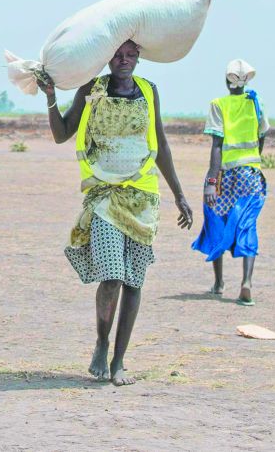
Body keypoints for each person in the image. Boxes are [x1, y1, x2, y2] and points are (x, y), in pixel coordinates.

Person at [38, 40, 193, 387]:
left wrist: (179, 195)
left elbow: (160, 144)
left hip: (143, 198)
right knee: (111, 277)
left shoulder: (149, 91)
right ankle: (101, 342)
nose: (124, 61)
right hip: (105, 196)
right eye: (118, 56)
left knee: (134, 282)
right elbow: (62, 134)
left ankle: (119, 361)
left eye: (130, 56)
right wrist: (50, 96)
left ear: (138, 58)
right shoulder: (91, 90)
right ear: (107, 58)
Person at [192, 59, 269, 306]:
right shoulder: (256, 102)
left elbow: (217, 145)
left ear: (227, 81)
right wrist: (253, 162)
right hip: (251, 175)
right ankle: (246, 282)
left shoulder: (219, 105)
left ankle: (218, 282)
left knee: (215, 219)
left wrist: (211, 181)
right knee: (248, 224)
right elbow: (261, 137)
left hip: (225, 175)